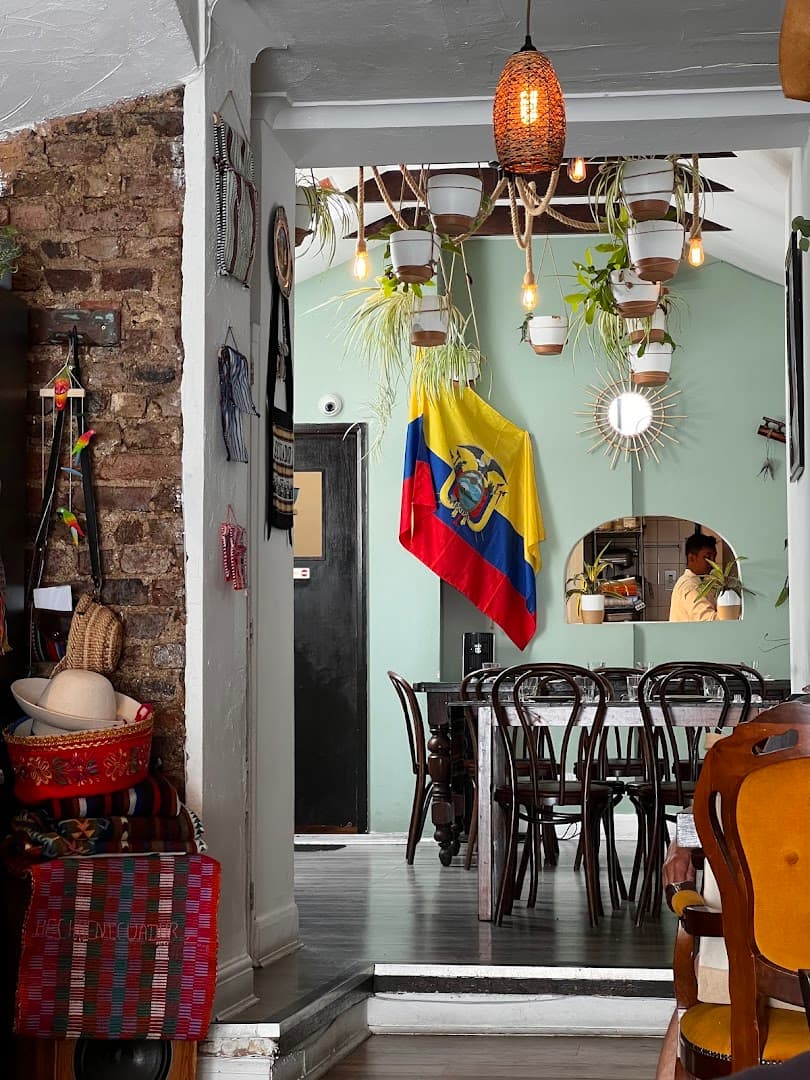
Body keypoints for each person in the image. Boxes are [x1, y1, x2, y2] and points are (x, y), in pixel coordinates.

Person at [669, 532, 718, 622]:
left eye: (714, 557)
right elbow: (708, 620)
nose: (713, 562)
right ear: (691, 558)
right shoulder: (689, 586)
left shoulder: (704, 581)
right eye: (708, 557)